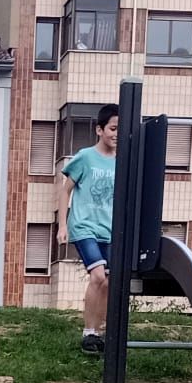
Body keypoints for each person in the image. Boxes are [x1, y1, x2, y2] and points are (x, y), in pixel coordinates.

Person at [57, 104, 120, 356]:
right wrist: (63, 225)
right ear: (100, 130)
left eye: (120, 129)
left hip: (110, 229)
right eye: (113, 128)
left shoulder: (123, 161)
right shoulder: (85, 156)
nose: (116, 134)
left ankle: (99, 330)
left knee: (109, 282)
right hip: (84, 226)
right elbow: (65, 190)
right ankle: (89, 333)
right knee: (98, 277)